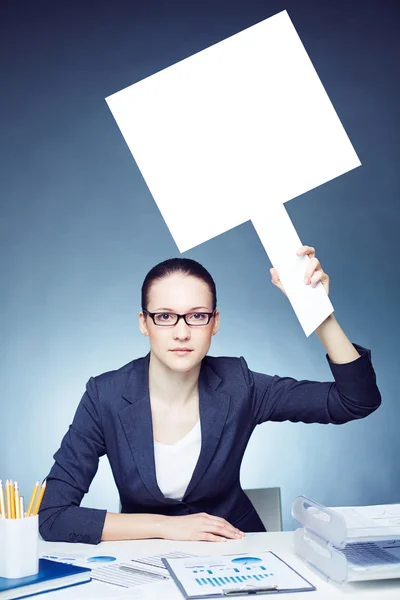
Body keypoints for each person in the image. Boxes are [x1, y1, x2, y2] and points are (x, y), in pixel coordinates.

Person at [38, 246, 381, 545]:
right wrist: (168, 527)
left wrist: (318, 311)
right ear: (144, 323)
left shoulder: (239, 384)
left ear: (215, 322)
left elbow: (356, 400)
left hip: (238, 551)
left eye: (197, 316)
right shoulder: (106, 396)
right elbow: (53, 515)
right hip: (144, 557)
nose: (182, 332)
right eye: (165, 317)